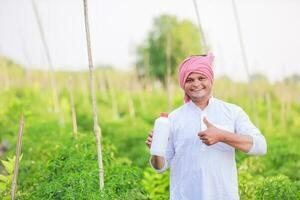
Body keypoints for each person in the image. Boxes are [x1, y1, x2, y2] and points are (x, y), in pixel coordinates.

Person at [145, 53, 267, 200]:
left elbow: (260, 146)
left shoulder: (232, 112)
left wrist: (222, 136)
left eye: (201, 78)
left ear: (211, 80)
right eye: (189, 80)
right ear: (183, 84)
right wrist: (156, 150)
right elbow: (160, 167)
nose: (196, 84)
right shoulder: (174, 118)